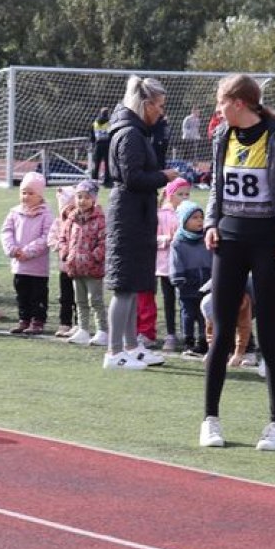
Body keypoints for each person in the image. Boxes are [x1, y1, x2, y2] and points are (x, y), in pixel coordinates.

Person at [200, 74, 275, 451]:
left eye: (221, 101)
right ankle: (210, 420)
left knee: (269, 334)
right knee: (220, 331)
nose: (218, 109)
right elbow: (216, 186)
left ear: (238, 102)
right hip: (229, 241)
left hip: (269, 243)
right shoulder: (223, 136)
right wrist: (212, 222)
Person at [103, 77, 177, 370]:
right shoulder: (130, 134)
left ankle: (131, 346)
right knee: (124, 286)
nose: (161, 111)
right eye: (159, 105)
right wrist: (163, 177)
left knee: (133, 284)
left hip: (137, 212)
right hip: (128, 215)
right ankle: (114, 352)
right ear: (145, 104)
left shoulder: (137, 132)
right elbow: (132, 177)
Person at [1, 171, 53, 336]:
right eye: (24, 193)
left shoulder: (46, 214)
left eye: (31, 193)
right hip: (19, 264)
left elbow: (47, 237)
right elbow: (6, 231)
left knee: (38, 294)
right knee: (22, 293)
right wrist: (12, 248)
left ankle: (37, 321)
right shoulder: (14, 212)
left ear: (40, 195)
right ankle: (24, 319)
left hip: (38, 267)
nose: (26, 197)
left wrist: (28, 251)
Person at [59, 178, 108, 346]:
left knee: (95, 300)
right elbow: (63, 237)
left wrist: (94, 257)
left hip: (93, 268)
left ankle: (102, 330)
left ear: (94, 199)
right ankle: (83, 329)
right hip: (75, 267)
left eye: (87, 197)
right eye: (79, 197)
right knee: (80, 300)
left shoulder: (100, 219)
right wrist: (66, 254)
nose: (82, 201)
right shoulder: (72, 218)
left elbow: (104, 242)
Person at [170, 199, 212, 356]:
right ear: (183, 221)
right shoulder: (178, 243)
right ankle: (188, 342)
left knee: (203, 314)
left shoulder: (206, 239)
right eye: (194, 218)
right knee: (187, 314)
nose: (200, 221)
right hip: (187, 285)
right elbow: (175, 262)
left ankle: (203, 342)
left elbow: (213, 258)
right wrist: (178, 278)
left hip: (206, 285)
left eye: (201, 217)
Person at [155, 177, 190, 353]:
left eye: (187, 194)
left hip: (185, 265)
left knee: (186, 300)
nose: (184, 197)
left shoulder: (189, 212)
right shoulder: (161, 215)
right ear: (170, 196)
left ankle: (188, 333)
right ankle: (170, 334)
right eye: (180, 194)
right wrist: (167, 239)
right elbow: (152, 238)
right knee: (168, 300)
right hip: (165, 266)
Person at [49, 186, 80, 339]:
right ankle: (64, 323)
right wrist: (61, 247)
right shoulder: (58, 223)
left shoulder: (82, 222)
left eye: (74, 208)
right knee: (65, 297)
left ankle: (79, 323)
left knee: (80, 298)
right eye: (68, 208)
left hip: (81, 268)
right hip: (65, 268)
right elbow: (51, 240)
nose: (71, 212)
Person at [89, 107, 111, 187]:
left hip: (98, 145)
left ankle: (94, 181)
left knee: (96, 164)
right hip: (107, 145)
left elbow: (92, 137)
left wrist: (92, 145)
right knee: (108, 164)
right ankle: (107, 181)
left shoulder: (95, 123)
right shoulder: (110, 123)